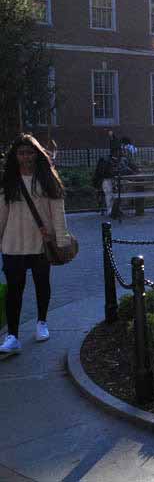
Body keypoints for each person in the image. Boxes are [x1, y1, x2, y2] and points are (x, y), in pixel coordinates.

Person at [0, 134, 70, 354]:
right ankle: (12, 335)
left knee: (42, 284)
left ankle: (41, 322)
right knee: (14, 290)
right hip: (13, 244)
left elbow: (57, 212)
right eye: (21, 153)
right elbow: (2, 213)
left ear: (36, 154)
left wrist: (62, 240)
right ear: (15, 156)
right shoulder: (8, 181)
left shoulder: (47, 178)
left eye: (29, 152)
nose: (25, 157)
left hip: (41, 243)